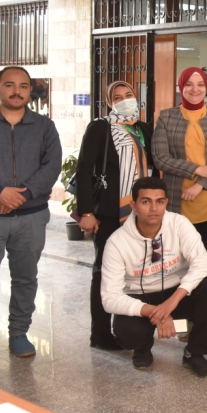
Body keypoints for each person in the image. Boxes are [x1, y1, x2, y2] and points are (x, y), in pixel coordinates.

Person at [0, 66, 61, 368]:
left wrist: (21, 195)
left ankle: (19, 333)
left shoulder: (44, 126)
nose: (16, 91)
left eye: (23, 86)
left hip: (31, 216)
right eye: (9, 85)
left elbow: (52, 165)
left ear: (29, 90)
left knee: (25, 278)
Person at [99, 177, 207, 377]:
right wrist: (157, 313)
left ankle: (194, 353)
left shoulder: (179, 224)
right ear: (133, 205)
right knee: (128, 335)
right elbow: (110, 298)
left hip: (176, 293)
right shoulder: (116, 242)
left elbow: (203, 264)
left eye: (159, 201)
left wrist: (171, 303)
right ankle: (142, 347)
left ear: (166, 202)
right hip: (141, 298)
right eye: (146, 201)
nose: (154, 208)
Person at [152, 67, 207, 343]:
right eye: (189, 84)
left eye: (200, 84)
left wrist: (200, 183)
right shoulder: (167, 117)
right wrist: (196, 169)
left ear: (206, 87)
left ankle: (206, 324)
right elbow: (160, 158)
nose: (194, 89)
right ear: (181, 87)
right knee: (178, 267)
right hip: (179, 206)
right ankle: (182, 322)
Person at [76, 81, 154, 351]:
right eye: (117, 97)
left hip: (141, 214)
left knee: (140, 271)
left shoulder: (143, 128)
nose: (124, 100)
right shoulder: (100, 127)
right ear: (110, 103)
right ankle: (100, 333)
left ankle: (135, 327)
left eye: (128, 95)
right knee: (105, 272)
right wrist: (86, 212)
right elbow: (84, 170)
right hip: (110, 214)